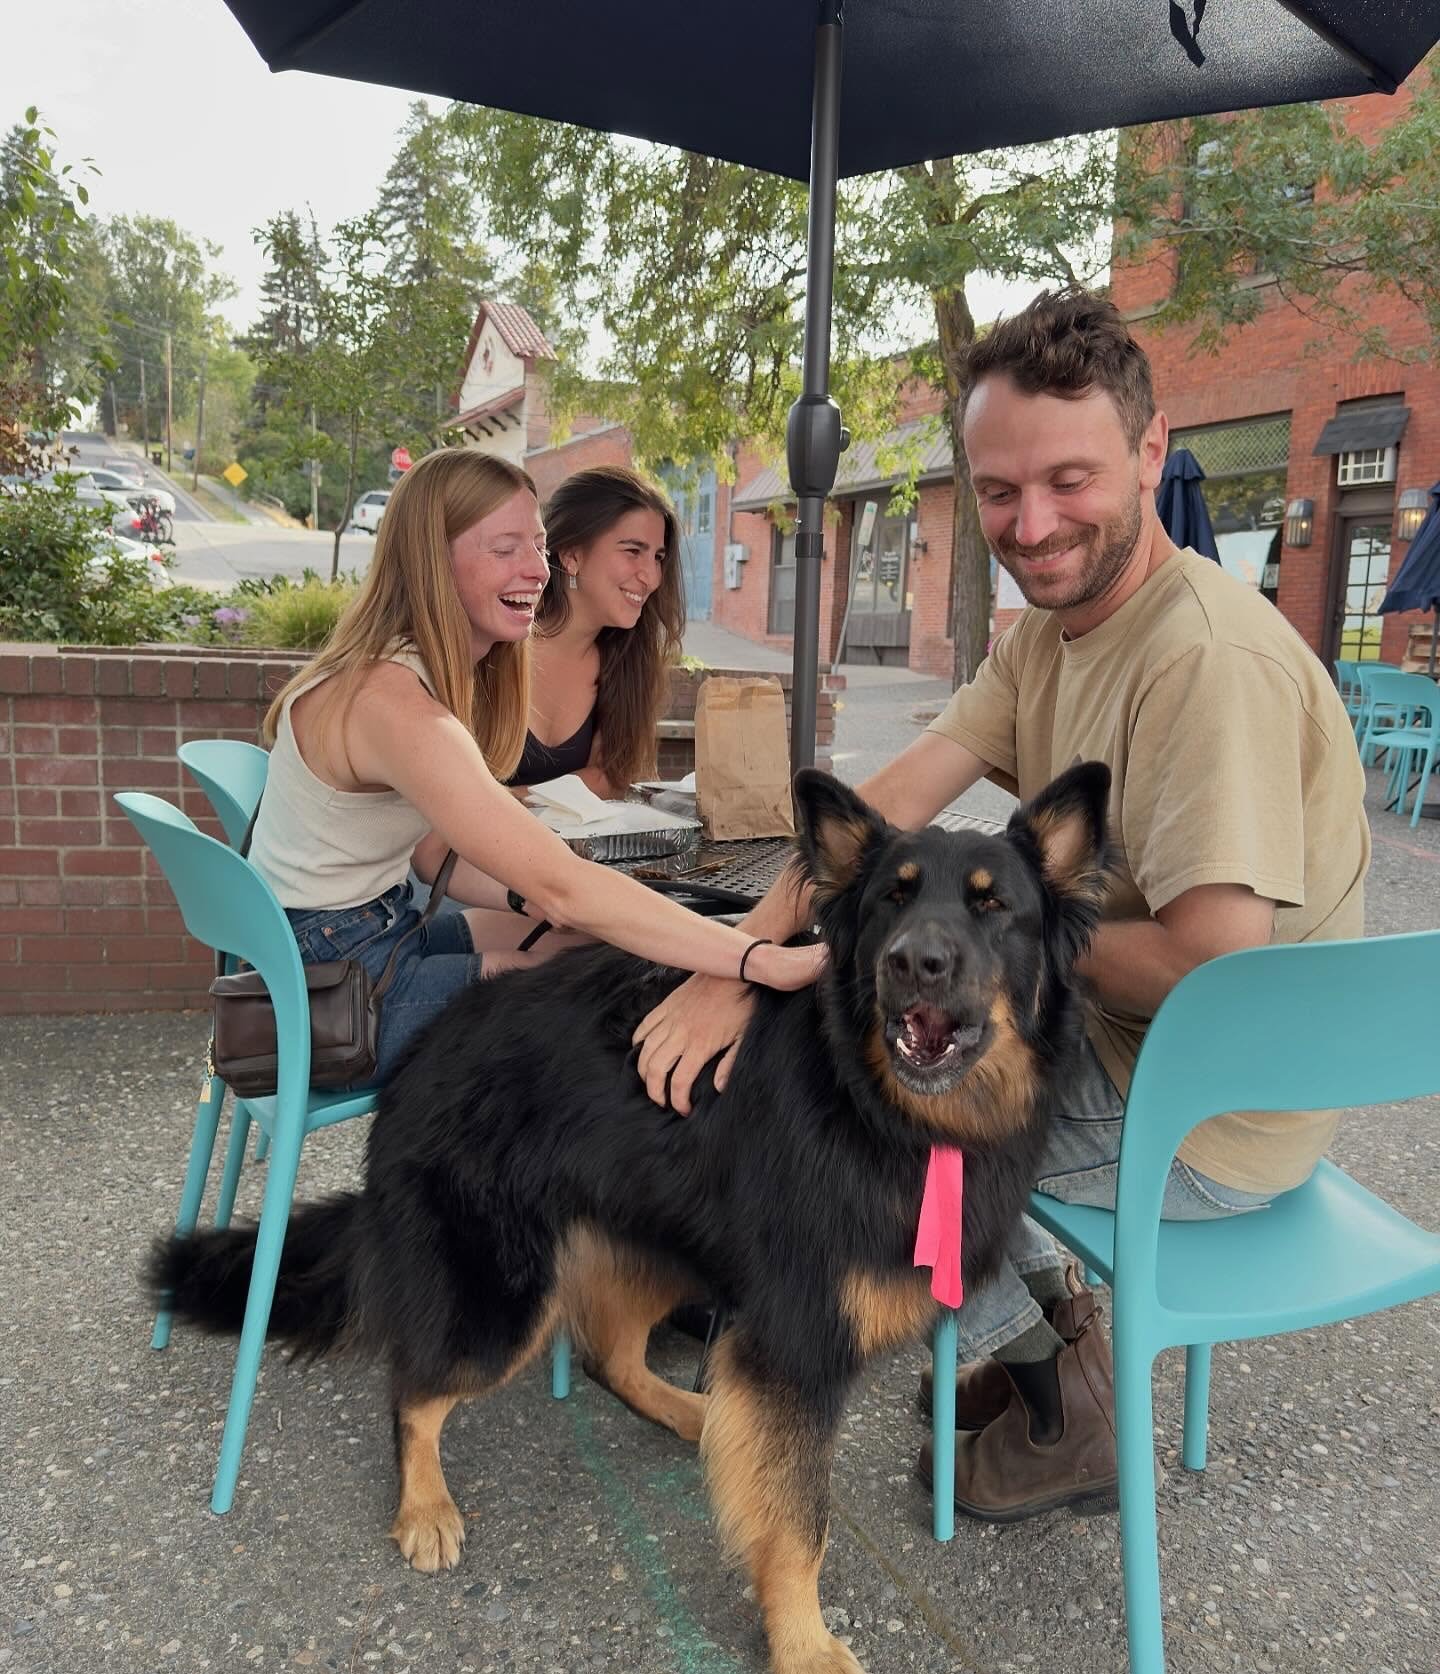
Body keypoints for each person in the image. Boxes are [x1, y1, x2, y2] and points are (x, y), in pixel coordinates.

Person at [630, 287, 1370, 1522]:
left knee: (856, 1125)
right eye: (998, 491)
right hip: (1128, 1052)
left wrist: (982, 955)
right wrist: (737, 963)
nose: (1032, 524)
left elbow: (1211, 967)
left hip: (1209, 1107)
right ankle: (1042, 1334)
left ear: (1149, 452)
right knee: (835, 1044)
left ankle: (1057, 1394)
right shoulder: (1049, 637)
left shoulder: (1204, 661)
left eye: (1069, 481)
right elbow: (883, 811)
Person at [249, 446, 825, 1088]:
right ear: (431, 559)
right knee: (600, 995)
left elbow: (452, 862)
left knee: (587, 946)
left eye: (539, 546)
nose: (537, 569)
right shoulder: (399, 708)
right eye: (505, 549)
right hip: (333, 992)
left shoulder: (391, 673)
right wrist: (755, 959)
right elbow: (567, 888)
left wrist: (528, 897)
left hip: (350, 939)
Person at [512, 465, 684, 797]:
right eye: (633, 551)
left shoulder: (625, 660)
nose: (652, 577)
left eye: (658, 557)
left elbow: (610, 777)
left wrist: (511, 799)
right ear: (572, 555)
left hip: (568, 849)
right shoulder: (498, 644)